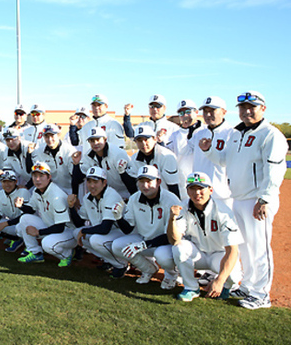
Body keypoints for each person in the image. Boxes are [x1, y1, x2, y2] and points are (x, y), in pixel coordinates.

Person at [200, 91, 287, 309]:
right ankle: (248, 286)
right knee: (245, 247)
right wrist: (208, 150)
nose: (247, 111)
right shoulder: (236, 133)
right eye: (243, 108)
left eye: (252, 107)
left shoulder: (270, 134)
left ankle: (261, 294)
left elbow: (275, 170)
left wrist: (265, 198)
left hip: (257, 199)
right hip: (237, 198)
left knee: (259, 248)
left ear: (263, 109)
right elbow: (223, 160)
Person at [167, 172, 243, 302]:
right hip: (198, 253)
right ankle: (191, 288)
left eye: (201, 188)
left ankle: (225, 287)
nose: (197, 193)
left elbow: (232, 250)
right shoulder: (183, 207)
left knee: (234, 276)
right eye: (193, 188)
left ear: (210, 190)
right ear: (187, 190)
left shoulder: (223, 211)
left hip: (219, 254)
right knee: (179, 248)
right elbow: (174, 240)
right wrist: (172, 219)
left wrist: (220, 280)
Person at [111, 165, 181, 289]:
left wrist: (144, 245)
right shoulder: (134, 198)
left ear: (158, 182)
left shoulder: (171, 200)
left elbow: (172, 237)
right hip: (145, 240)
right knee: (117, 246)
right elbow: (128, 229)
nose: (145, 185)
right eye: (141, 181)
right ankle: (148, 269)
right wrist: (118, 217)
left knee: (161, 255)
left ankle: (171, 275)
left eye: (149, 181)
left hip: (166, 245)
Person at [14, 162, 77, 267]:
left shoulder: (57, 196)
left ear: (49, 177)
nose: (37, 179)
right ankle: (35, 253)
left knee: (47, 244)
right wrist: (20, 206)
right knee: (24, 219)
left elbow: (60, 227)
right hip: (51, 226)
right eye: (35, 176)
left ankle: (67, 254)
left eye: (41, 176)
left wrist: (38, 232)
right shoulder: (37, 191)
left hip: (67, 232)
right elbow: (31, 209)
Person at [71, 167, 127, 278]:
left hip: (121, 232)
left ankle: (121, 265)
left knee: (95, 240)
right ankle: (108, 261)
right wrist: (71, 207)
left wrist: (84, 230)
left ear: (104, 182)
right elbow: (79, 223)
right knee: (77, 233)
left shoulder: (111, 196)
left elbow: (105, 228)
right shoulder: (88, 198)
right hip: (107, 233)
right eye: (89, 181)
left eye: (96, 182)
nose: (92, 185)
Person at [188, 96, 234, 205]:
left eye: (212, 110)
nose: (208, 115)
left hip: (223, 196)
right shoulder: (198, 134)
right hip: (200, 194)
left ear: (224, 112)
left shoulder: (232, 134)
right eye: (205, 111)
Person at [72, 127, 134, 200]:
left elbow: (130, 179)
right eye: (92, 140)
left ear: (105, 139)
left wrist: (131, 197)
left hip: (123, 194)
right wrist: (76, 164)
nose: (95, 143)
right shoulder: (88, 156)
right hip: (103, 196)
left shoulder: (118, 154)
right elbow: (79, 178)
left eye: (98, 139)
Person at [0, 169, 31, 250]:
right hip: (12, 224)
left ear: (15, 182)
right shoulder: (0, 194)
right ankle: (15, 238)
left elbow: (25, 216)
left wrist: (5, 224)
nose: (7, 184)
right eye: (4, 181)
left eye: (10, 181)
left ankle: (30, 246)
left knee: (19, 228)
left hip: (26, 224)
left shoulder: (23, 192)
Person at [126, 125, 180, 198]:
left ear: (155, 139)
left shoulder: (167, 156)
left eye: (146, 139)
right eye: (139, 140)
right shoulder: (133, 159)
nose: (143, 143)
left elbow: (173, 186)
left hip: (166, 199)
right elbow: (134, 186)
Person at [167, 100, 202, 194]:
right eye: (181, 113)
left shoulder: (205, 131)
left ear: (196, 112)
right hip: (184, 183)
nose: (185, 116)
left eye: (188, 112)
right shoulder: (174, 135)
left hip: (203, 181)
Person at [31, 124, 76, 194]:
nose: (49, 139)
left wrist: (74, 194)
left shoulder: (69, 150)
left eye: (52, 135)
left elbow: (75, 175)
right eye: (46, 136)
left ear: (58, 135)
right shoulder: (39, 151)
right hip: (50, 191)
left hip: (69, 189)